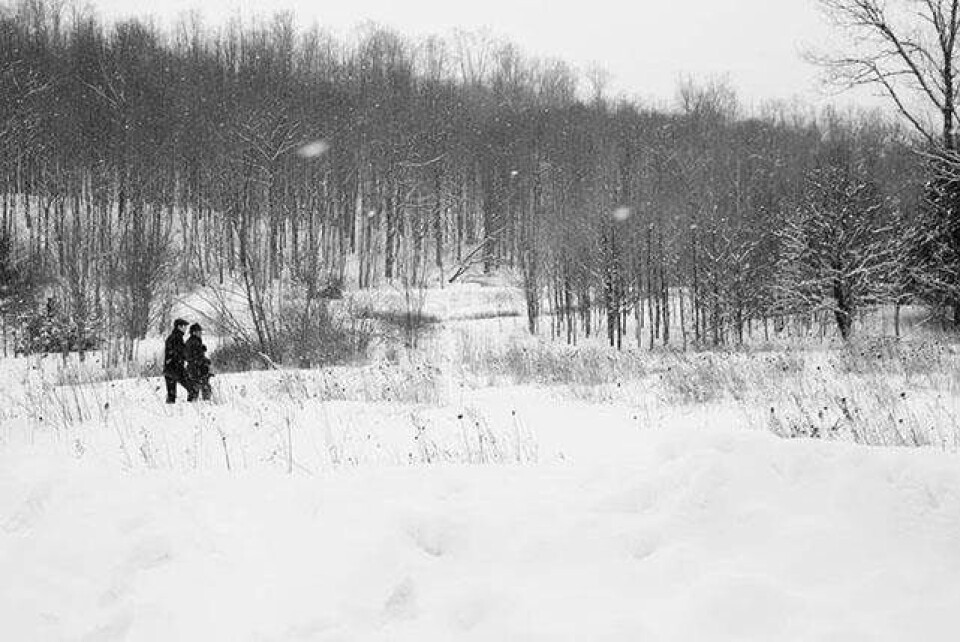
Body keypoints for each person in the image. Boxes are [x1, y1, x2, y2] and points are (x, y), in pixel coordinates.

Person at [163, 318, 191, 404]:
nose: (186, 329)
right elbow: (180, 353)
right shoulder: (177, 338)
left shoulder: (172, 337)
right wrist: (188, 358)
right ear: (179, 327)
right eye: (184, 326)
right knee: (192, 389)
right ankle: (193, 408)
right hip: (176, 368)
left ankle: (170, 410)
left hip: (169, 369)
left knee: (171, 395)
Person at [185, 322, 213, 402]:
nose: (201, 333)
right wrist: (204, 360)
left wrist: (202, 350)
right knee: (200, 386)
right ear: (194, 332)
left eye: (200, 331)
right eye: (199, 331)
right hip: (195, 368)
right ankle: (204, 403)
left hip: (196, 368)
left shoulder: (195, 341)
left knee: (197, 386)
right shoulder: (193, 342)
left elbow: (197, 355)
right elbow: (192, 357)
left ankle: (196, 403)